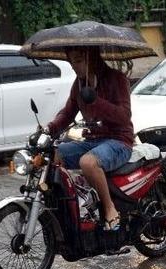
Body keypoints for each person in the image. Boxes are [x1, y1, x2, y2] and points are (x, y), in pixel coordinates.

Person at [47, 46, 134, 231]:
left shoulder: (116, 79)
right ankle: (68, 207)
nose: (74, 67)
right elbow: (68, 113)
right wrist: (50, 128)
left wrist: (96, 101)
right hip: (92, 140)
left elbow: (124, 116)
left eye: (78, 61)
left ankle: (110, 209)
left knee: (88, 163)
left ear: (92, 58)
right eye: (71, 63)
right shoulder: (79, 84)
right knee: (52, 155)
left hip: (119, 141)